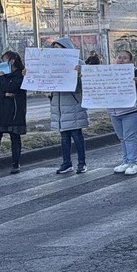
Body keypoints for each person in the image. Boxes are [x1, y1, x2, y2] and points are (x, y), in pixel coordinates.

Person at [48, 37, 88, 175]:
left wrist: (80, 74)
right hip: (58, 106)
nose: (55, 51)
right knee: (64, 137)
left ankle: (82, 163)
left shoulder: (79, 64)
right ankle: (66, 163)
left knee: (77, 135)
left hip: (73, 104)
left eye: (58, 48)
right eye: (54, 49)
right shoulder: (50, 65)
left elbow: (86, 85)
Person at [111, 49, 137, 176]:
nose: (121, 60)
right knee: (122, 138)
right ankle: (125, 161)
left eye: (125, 58)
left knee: (130, 138)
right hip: (115, 112)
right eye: (119, 57)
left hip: (132, 110)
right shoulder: (110, 72)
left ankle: (133, 163)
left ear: (131, 60)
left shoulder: (136, 71)